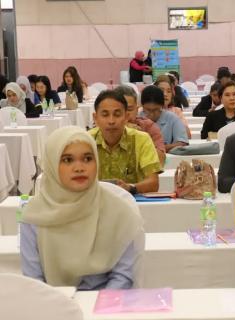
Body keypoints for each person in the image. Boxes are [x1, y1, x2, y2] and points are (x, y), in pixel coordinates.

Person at [20, 126, 145, 289]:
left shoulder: (120, 212)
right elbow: (33, 281)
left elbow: (123, 277)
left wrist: (98, 304)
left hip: (106, 301)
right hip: (51, 301)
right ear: (52, 165)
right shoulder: (34, 215)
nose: (79, 168)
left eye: (87, 159)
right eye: (67, 160)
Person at [89, 90, 162, 194]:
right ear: (95, 118)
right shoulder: (86, 141)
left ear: (126, 117)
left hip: (132, 200)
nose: (111, 121)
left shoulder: (141, 139)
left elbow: (153, 183)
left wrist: (130, 188)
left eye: (117, 114)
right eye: (105, 115)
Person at [114, 85, 166, 166]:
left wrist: (140, 138)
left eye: (129, 109)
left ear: (137, 109)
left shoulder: (149, 127)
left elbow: (161, 159)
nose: (125, 114)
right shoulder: (103, 129)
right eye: (118, 110)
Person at [140, 85, 189, 152]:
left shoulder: (172, 118)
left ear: (162, 106)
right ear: (142, 106)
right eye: (147, 110)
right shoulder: (138, 118)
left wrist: (156, 149)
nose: (151, 114)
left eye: (156, 110)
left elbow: (183, 143)